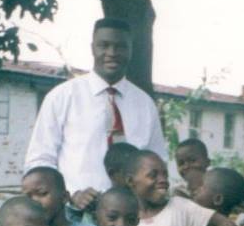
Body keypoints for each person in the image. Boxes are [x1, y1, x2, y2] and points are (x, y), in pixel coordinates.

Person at [25, 18, 168, 198]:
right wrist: (71, 195)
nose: (112, 53)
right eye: (104, 45)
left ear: (131, 50)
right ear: (92, 48)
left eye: (121, 47)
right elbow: (40, 160)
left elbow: (157, 162)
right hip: (75, 212)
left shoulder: (145, 104)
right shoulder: (61, 97)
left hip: (132, 215)